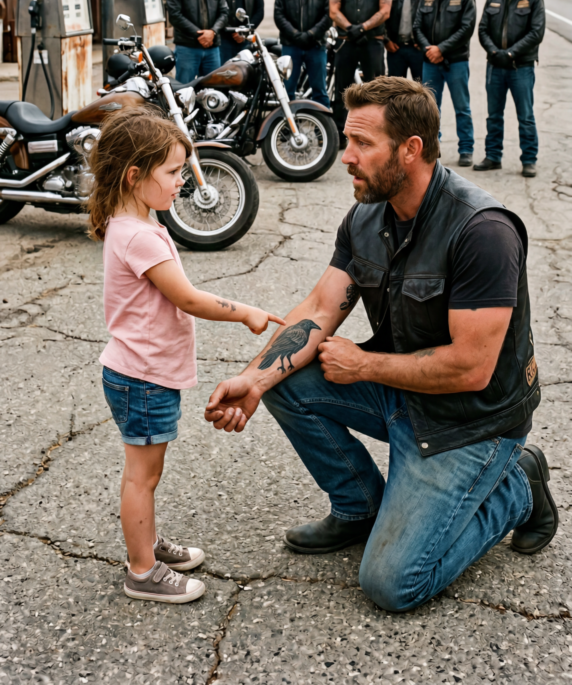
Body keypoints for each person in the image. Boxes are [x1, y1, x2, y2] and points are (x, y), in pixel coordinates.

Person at [204, 77, 557, 613]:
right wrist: (254, 378)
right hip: (401, 391)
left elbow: (471, 369)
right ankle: (359, 508)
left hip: (470, 420)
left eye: (362, 144)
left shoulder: (482, 230)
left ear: (411, 149)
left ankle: (518, 486)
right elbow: (321, 309)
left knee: (393, 585)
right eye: (348, 141)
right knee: (286, 377)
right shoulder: (367, 215)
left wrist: (365, 365)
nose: (345, 157)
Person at [88, 107, 284, 604]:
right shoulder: (138, 235)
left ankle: (145, 542)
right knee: (142, 475)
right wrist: (245, 312)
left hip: (140, 373)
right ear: (135, 175)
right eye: (173, 172)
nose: (182, 181)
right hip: (141, 377)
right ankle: (142, 569)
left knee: (145, 473)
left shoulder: (133, 223)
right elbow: (188, 298)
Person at [475, 0, 545, 178]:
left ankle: (529, 160)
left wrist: (512, 53)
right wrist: (494, 52)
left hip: (521, 67)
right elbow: (483, 29)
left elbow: (536, 33)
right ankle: (493, 156)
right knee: (494, 115)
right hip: (495, 66)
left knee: (525, 115)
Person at [413, 0, 476, 167]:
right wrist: (428, 49)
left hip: (456, 62)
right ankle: (433, 148)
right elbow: (417, 27)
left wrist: (442, 49)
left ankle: (466, 149)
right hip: (430, 62)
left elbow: (466, 29)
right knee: (430, 109)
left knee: (462, 107)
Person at [329, 0, 392, 143]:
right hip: (346, 41)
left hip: (372, 41)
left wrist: (363, 28)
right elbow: (333, 10)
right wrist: (350, 28)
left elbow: (385, 11)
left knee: (376, 89)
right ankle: (340, 134)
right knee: (342, 90)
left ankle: (376, 133)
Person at [274, 0, 331, 108]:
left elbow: (329, 15)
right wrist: (295, 35)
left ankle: (323, 126)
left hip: (317, 45)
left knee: (320, 90)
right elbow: (278, 15)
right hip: (291, 46)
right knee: (287, 90)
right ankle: (287, 128)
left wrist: (311, 34)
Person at [385, 0, 434, 81]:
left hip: (419, 50)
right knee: (395, 94)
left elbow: (436, 20)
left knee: (422, 93)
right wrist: (386, 41)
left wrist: (426, 42)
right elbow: (382, 15)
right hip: (395, 49)